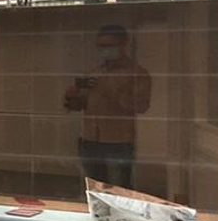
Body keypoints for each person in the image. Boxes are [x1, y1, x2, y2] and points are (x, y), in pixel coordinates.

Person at [63, 24, 152, 189]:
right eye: (100, 46)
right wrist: (71, 96)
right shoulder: (95, 72)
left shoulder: (137, 74)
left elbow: (141, 106)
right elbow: (80, 105)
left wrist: (110, 90)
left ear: (123, 44)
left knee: (120, 190)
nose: (104, 50)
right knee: (93, 190)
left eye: (108, 46)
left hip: (118, 142)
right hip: (89, 140)